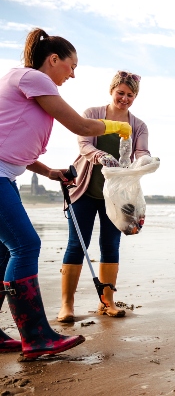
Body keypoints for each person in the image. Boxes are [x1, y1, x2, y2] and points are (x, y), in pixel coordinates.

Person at [0, 28, 131, 359]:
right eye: (71, 66)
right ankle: (37, 336)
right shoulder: (34, 78)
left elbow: (16, 147)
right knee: (26, 244)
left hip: (7, 174)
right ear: (53, 59)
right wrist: (119, 127)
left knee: (4, 252)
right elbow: (82, 127)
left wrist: (48, 172)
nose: (73, 74)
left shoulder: (26, 83)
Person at [56, 70, 149, 323]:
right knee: (77, 245)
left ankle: (107, 302)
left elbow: (141, 151)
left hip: (116, 197)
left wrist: (146, 161)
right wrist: (101, 157)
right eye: (120, 93)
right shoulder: (92, 114)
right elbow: (84, 144)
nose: (125, 99)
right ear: (112, 91)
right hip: (84, 189)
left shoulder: (138, 125)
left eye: (130, 95)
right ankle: (67, 305)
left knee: (110, 245)